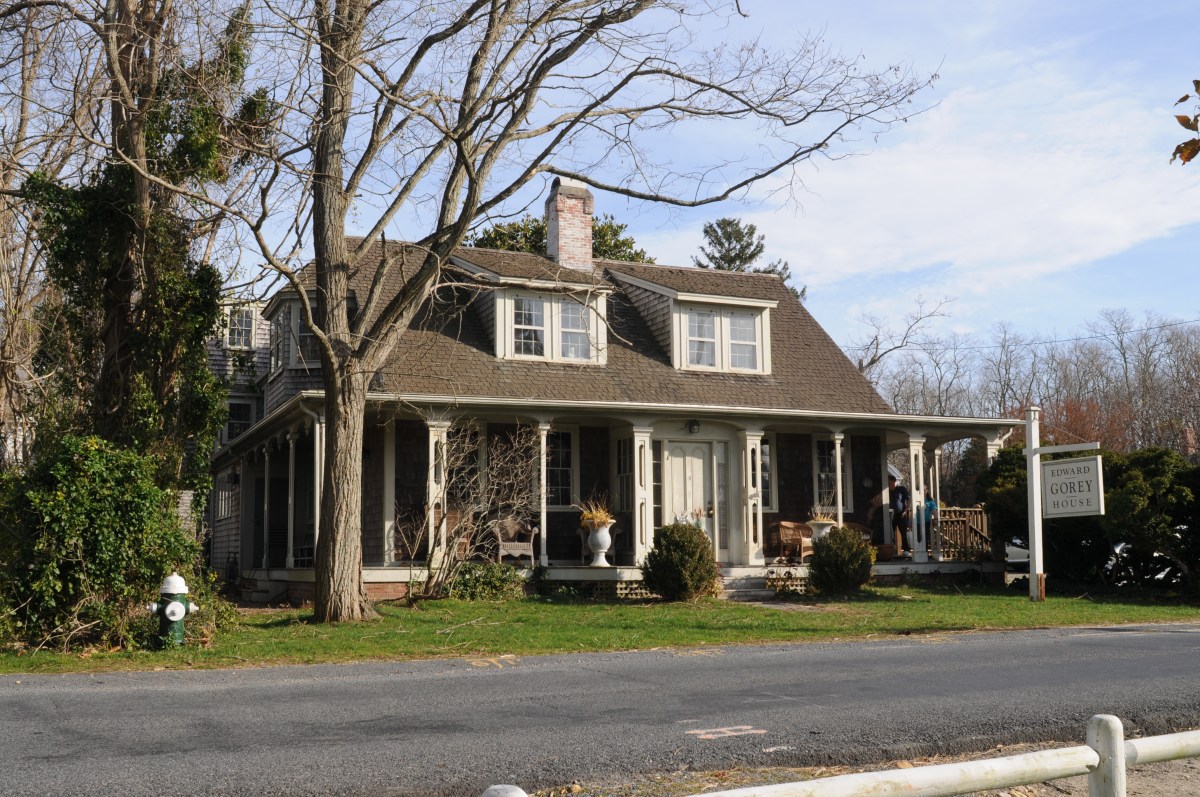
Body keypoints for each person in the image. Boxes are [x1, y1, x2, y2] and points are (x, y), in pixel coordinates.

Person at [888, 475, 911, 553]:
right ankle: (891, 549)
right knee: (890, 533)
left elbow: (909, 500)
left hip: (901, 514)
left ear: (893, 481)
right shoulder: (886, 491)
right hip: (890, 515)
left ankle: (906, 550)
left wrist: (905, 511)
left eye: (889, 481)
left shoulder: (901, 489)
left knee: (903, 532)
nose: (888, 483)